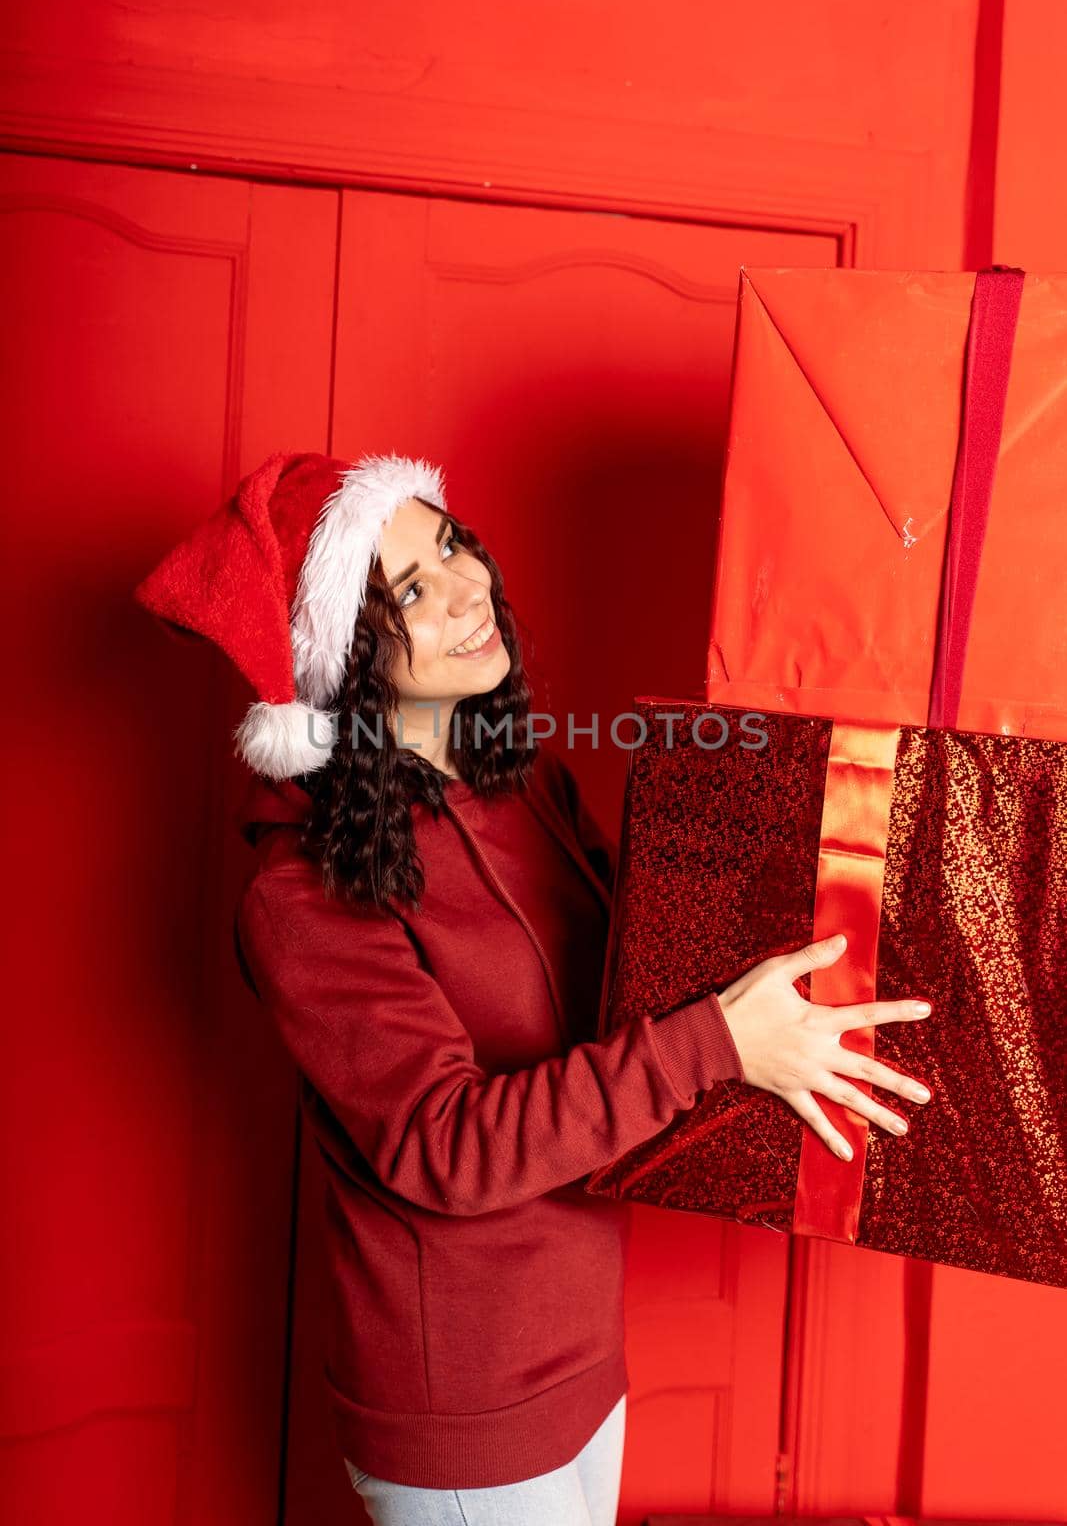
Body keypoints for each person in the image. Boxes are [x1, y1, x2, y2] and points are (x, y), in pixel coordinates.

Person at [133, 451, 933, 1526]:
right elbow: (446, 1142)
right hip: (457, 1407)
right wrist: (716, 1042)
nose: (466, 588)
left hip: (579, 1352)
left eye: (452, 546)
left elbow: (628, 995)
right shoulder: (301, 892)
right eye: (410, 590)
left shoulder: (525, 785)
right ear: (344, 656)